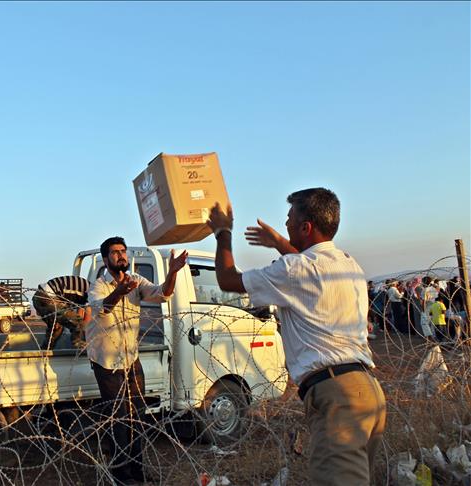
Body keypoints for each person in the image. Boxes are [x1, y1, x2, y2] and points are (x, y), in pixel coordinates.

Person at [209, 188, 386, 486]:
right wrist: (280, 242)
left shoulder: (294, 269)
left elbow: (227, 279)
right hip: (366, 391)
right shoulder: (347, 264)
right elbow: (307, 268)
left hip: (336, 396)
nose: (286, 223)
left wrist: (222, 232)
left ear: (306, 227)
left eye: (290, 218)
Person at [87, 236, 187, 484]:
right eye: (115, 252)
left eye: (123, 251)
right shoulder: (98, 285)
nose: (121, 255)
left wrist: (173, 272)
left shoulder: (136, 281)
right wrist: (119, 292)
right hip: (107, 363)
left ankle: (137, 470)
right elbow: (102, 308)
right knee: (119, 420)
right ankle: (121, 474)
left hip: (131, 359)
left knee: (137, 417)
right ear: (106, 259)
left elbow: (163, 293)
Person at [32, 275, 91, 349]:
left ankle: (45, 350)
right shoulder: (94, 293)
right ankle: (80, 349)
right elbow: (87, 318)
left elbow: (80, 312)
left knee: (56, 327)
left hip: (40, 296)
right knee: (78, 322)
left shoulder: (87, 289)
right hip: (47, 297)